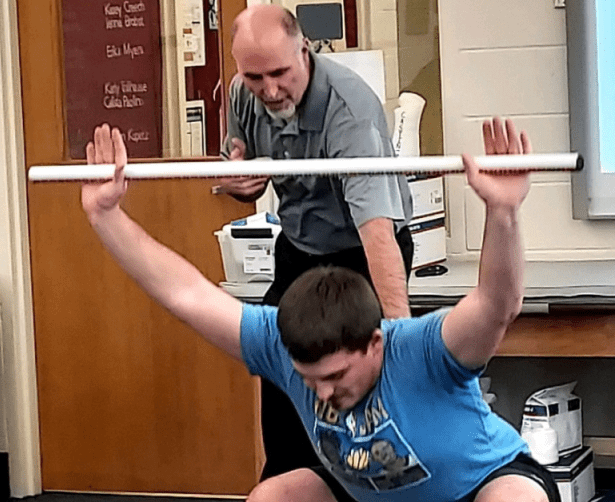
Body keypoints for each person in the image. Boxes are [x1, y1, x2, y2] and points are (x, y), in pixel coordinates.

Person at [81, 117, 561, 502]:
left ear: (375, 342)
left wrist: (502, 213)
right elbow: (184, 294)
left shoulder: (424, 349)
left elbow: (498, 304)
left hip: (479, 485)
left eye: (335, 376)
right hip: (364, 489)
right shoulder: (278, 342)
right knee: (273, 496)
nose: (322, 393)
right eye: (310, 380)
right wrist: (105, 216)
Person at [212, 4, 414, 488]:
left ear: (304, 50)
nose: (271, 90)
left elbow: (377, 233)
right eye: (256, 77)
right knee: (279, 357)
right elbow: (235, 164)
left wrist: (402, 344)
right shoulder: (244, 92)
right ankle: (287, 480)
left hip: (362, 249)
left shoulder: (350, 112)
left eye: (280, 73)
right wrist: (236, 178)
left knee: (358, 368)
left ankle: (377, 483)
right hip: (300, 246)